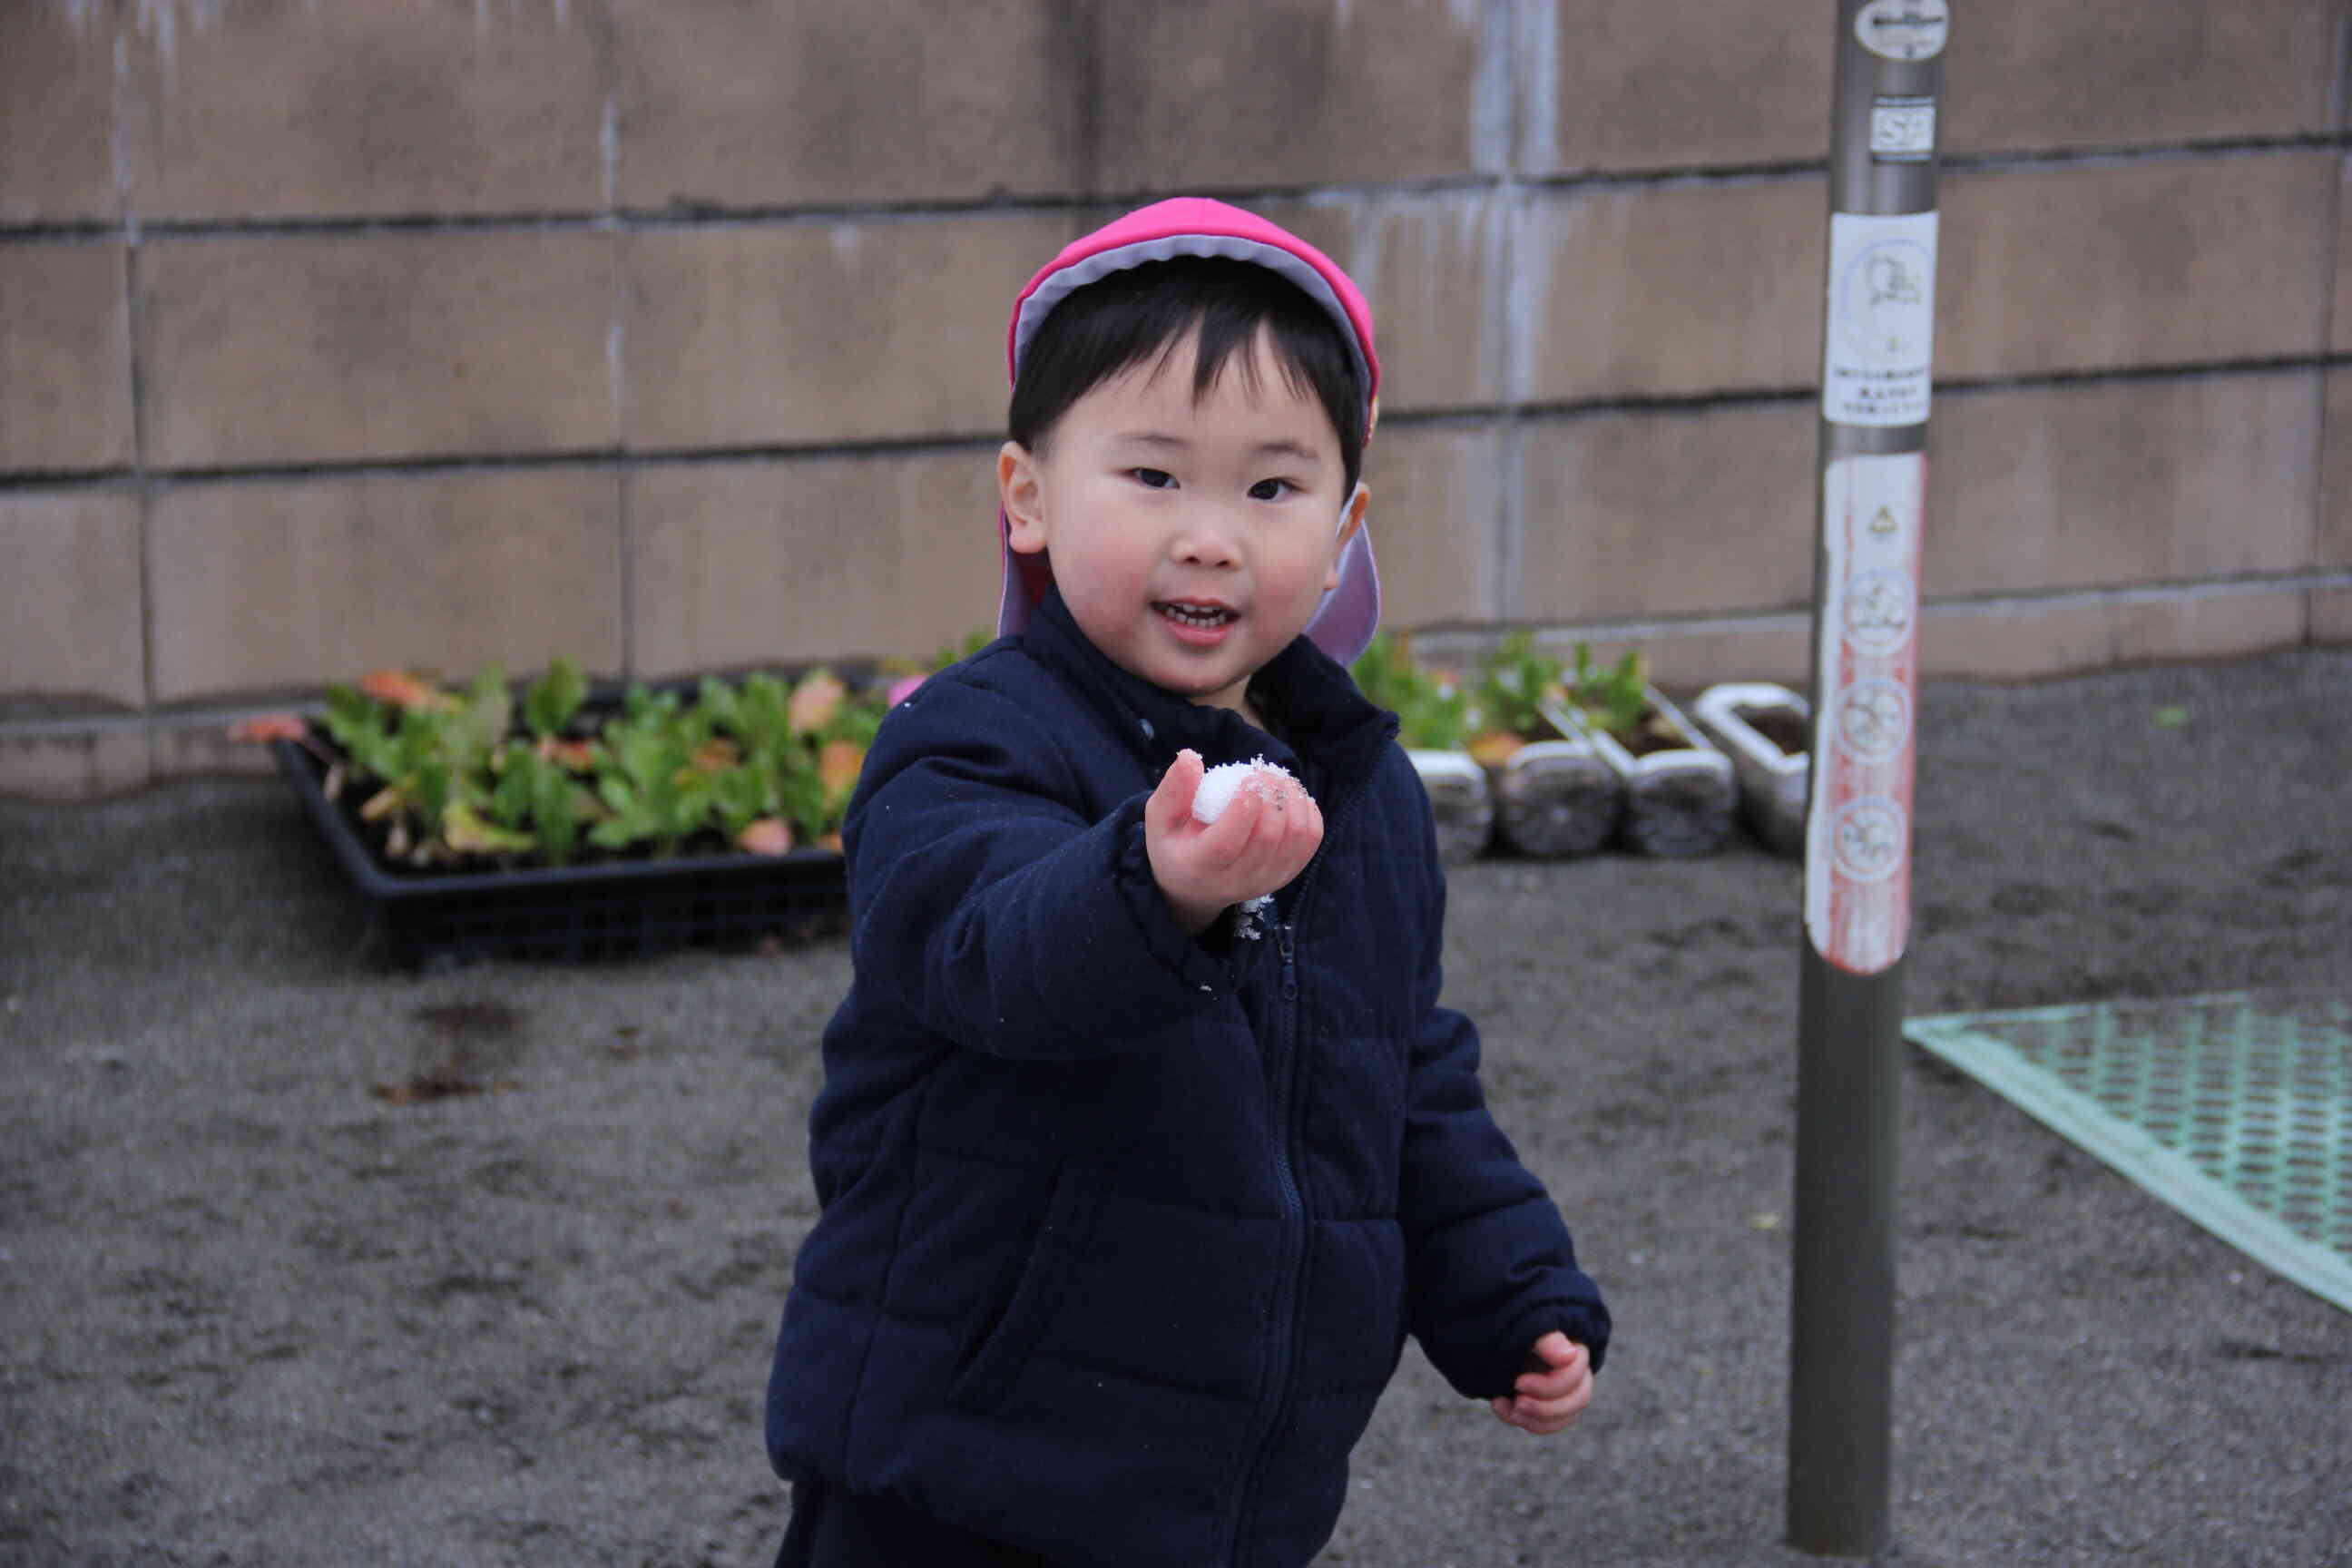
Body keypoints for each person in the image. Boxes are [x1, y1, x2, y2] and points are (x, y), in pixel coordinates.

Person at [764, 199, 1611, 1568]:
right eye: (1153, 477)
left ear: (1344, 529)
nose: (1211, 537)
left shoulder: (1360, 793)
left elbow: (1401, 1073)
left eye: (1271, 491)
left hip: (1232, 1478)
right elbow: (986, 955)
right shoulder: (971, 742)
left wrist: (1506, 1291)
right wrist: (1152, 888)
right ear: (1028, 495)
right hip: (959, 1454)